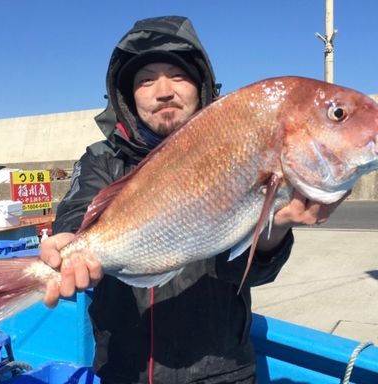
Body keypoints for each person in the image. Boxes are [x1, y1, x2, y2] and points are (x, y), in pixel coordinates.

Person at [40, 16, 346, 384]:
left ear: (201, 85)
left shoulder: (237, 148)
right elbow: (76, 210)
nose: (164, 90)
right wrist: (68, 240)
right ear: (127, 95)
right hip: (124, 370)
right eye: (146, 79)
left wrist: (277, 226)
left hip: (222, 370)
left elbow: (252, 272)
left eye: (178, 75)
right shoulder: (102, 159)